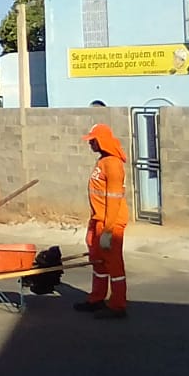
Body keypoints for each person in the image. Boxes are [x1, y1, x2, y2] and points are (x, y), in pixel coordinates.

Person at [75, 123, 129, 319]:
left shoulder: (113, 165)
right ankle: (96, 298)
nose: (90, 144)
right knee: (98, 261)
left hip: (111, 223)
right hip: (98, 220)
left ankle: (117, 305)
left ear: (102, 141)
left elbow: (113, 201)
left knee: (113, 264)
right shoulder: (102, 161)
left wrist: (107, 231)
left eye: (93, 140)